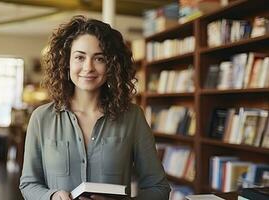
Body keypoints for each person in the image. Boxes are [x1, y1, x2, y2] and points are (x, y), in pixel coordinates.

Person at [19, 15, 171, 200]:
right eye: (80, 57)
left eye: (99, 58)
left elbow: (158, 187)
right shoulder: (41, 118)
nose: (88, 67)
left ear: (111, 65)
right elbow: (29, 184)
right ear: (67, 63)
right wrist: (51, 197)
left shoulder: (132, 117)